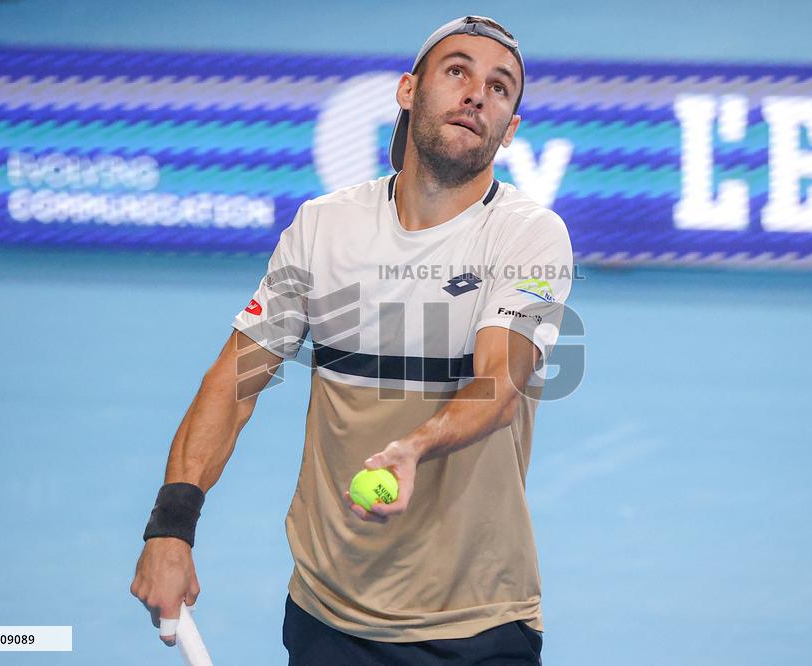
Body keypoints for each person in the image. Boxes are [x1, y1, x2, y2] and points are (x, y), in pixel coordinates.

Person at [131, 15, 574, 665]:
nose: (477, 92)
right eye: (458, 71)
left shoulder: (528, 236)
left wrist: (413, 448)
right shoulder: (323, 229)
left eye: (500, 87)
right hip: (328, 617)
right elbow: (234, 382)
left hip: (479, 623)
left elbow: (498, 386)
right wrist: (171, 528)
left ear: (510, 130)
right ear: (407, 91)